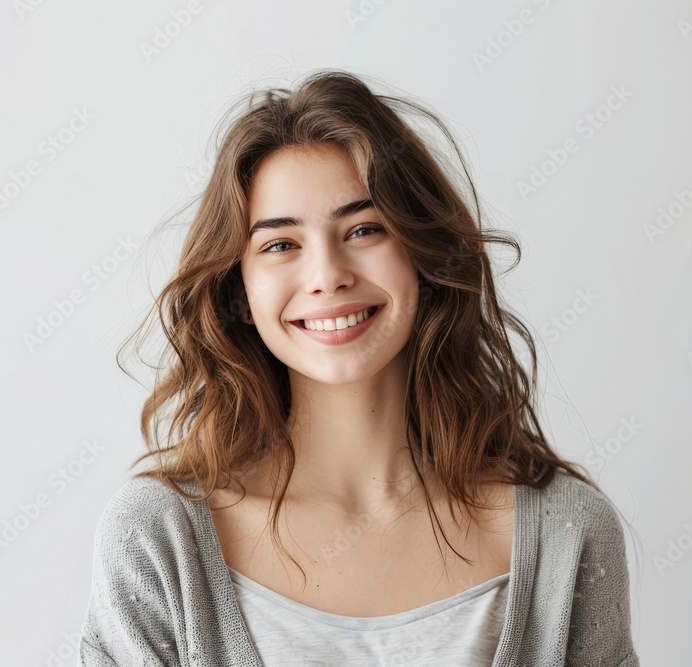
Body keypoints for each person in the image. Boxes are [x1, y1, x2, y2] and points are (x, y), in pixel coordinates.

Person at [77, 68, 640, 666]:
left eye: (364, 229)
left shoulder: (564, 534)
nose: (328, 275)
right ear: (235, 286)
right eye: (279, 244)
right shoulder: (159, 538)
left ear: (423, 255)